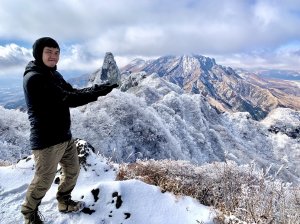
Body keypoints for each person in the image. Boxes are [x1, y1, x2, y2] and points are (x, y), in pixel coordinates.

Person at [21, 37, 118, 224]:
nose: (53, 56)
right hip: (46, 141)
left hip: (64, 137)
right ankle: (29, 214)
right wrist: (101, 91)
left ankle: (64, 202)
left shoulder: (53, 75)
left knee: (72, 171)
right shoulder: (34, 78)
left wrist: (102, 87)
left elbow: (74, 92)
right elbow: (70, 99)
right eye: (49, 52)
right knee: (43, 181)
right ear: (38, 53)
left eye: (56, 53)